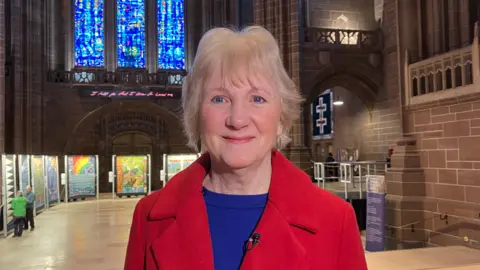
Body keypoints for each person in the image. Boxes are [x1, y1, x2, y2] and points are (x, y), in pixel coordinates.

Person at [125, 26, 367, 270]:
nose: (237, 120)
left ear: (281, 118)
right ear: (197, 113)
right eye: (219, 99)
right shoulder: (148, 217)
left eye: (257, 99)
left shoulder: (336, 220)